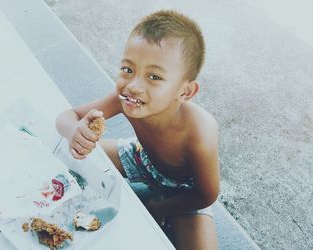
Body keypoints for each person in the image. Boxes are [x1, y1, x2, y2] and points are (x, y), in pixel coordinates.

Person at [56, 10, 219, 249]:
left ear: (185, 92)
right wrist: (74, 131)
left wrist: (156, 208)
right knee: (70, 149)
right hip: (141, 156)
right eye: (127, 69)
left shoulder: (199, 132)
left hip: (185, 189)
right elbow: (66, 117)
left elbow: (206, 194)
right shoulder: (124, 97)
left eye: (153, 76)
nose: (134, 86)